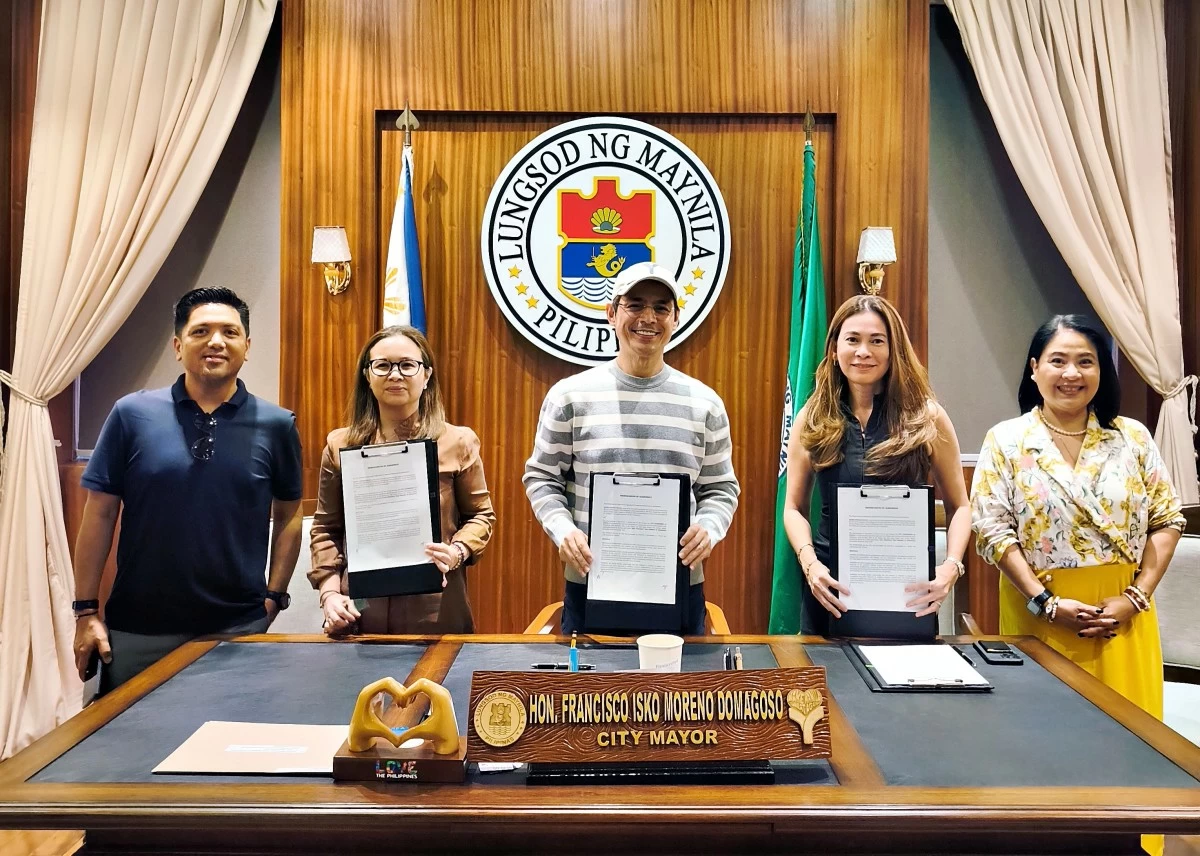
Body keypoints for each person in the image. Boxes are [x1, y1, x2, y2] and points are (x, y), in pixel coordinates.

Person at [72, 287, 304, 694]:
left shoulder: (277, 424)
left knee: (227, 754)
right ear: (178, 346)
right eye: (201, 332)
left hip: (238, 630)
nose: (216, 342)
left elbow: (288, 515)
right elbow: (100, 513)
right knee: (129, 752)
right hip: (138, 630)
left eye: (229, 332)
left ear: (246, 347)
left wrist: (274, 598)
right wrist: (86, 610)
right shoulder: (131, 414)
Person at [971, 315, 1184, 720]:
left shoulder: (1132, 436)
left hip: (1122, 614)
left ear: (1102, 370)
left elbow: (1167, 519)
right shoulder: (1006, 440)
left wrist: (1134, 598)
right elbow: (993, 532)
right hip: (1040, 611)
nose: (1072, 373)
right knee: (1046, 740)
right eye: (1058, 361)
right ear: (1034, 369)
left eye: (1086, 362)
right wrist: (1047, 603)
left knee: (1132, 741)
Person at [523, 261, 740, 635]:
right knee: (588, 692)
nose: (648, 318)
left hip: (678, 583)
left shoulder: (705, 404)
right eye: (635, 304)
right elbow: (541, 479)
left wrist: (708, 528)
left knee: (678, 692)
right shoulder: (569, 396)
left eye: (661, 308)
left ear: (675, 317)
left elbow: (721, 490)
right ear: (611, 313)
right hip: (591, 581)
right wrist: (563, 531)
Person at [782, 294, 972, 636]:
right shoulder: (813, 416)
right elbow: (793, 508)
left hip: (906, 591)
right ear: (835, 347)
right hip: (830, 589)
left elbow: (960, 507)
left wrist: (950, 569)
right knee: (828, 684)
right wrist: (810, 566)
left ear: (893, 349)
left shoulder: (927, 416)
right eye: (852, 340)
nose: (863, 352)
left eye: (876, 341)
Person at [310, 326, 495, 634]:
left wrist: (457, 551)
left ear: (426, 376)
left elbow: (481, 517)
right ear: (367, 376)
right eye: (382, 365)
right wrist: (329, 594)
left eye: (407, 365)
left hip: (437, 614)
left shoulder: (457, 441)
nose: (395, 374)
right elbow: (325, 528)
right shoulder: (340, 446)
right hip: (359, 614)